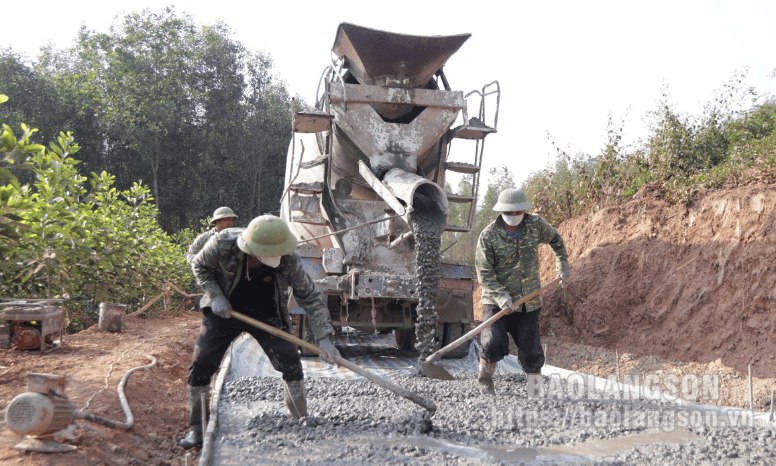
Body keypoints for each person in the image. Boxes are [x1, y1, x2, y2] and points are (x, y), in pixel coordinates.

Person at [179, 215, 340, 449]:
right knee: (202, 364)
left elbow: (311, 297)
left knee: (290, 360)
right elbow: (199, 265)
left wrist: (324, 339)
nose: (273, 260)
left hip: (266, 312)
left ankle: (300, 419)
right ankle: (197, 429)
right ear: (252, 250)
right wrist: (216, 295)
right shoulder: (223, 243)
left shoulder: (288, 258)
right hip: (226, 311)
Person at [474, 188, 570, 396]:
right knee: (491, 343)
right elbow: (484, 273)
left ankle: (534, 392)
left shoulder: (535, 225)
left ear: (524, 211)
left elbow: (556, 240)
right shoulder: (488, 236)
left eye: (519, 213)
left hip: (528, 302)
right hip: (496, 302)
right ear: (500, 212)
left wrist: (562, 265)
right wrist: (502, 297)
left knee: (531, 350)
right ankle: (485, 384)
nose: (515, 217)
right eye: (511, 213)